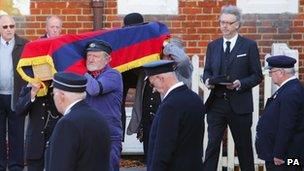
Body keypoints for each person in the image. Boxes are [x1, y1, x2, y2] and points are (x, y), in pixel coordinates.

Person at [201, 5, 263, 171]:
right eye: (222, 22)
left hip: (240, 104)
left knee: (244, 148)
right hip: (216, 104)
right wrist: (207, 80)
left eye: (228, 23)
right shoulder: (213, 46)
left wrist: (240, 83)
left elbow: (257, 75)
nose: (224, 26)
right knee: (212, 146)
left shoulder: (249, 46)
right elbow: (207, 71)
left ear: (237, 24)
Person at [127, 37, 193, 162]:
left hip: (169, 119)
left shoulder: (182, 70)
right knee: (149, 157)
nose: (167, 58)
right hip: (148, 120)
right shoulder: (151, 69)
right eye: (165, 54)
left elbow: (183, 59)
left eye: (171, 55)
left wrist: (165, 44)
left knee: (165, 157)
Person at [143, 60, 205, 171]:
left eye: (152, 84)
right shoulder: (195, 99)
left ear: (160, 79)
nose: (153, 88)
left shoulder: (170, 105)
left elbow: (163, 148)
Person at [47, 72, 110, 171]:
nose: (53, 97)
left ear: (61, 96)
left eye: (53, 94)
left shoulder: (67, 123)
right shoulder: (99, 117)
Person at [256, 55, 304, 171]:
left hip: (285, 157)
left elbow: (287, 125)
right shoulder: (288, 89)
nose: (270, 75)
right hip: (282, 155)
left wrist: (279, 153)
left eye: (271, 72)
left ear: (281, 72)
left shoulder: (291, 92)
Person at [84, 40, 123, 171]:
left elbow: (94, 89)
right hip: (87, 134)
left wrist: (80, 71)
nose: (90, 59)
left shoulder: (113, 74)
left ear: (107, 59)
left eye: (95, 56)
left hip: (108, 136)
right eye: (88, 56)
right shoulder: (88, 77)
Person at [0, 15, 28, 171]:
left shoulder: (24, 45)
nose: (9, 29)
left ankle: (16, 166)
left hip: (16, 96)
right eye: (5, 27)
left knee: (17, 134)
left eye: (12, 26)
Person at [15, 80, 61, 171]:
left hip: (55, 145)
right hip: (35, 146)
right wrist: (32, 92)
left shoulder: (58, 88)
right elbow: (19, 110)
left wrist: (55, 89)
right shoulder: (29, 87)